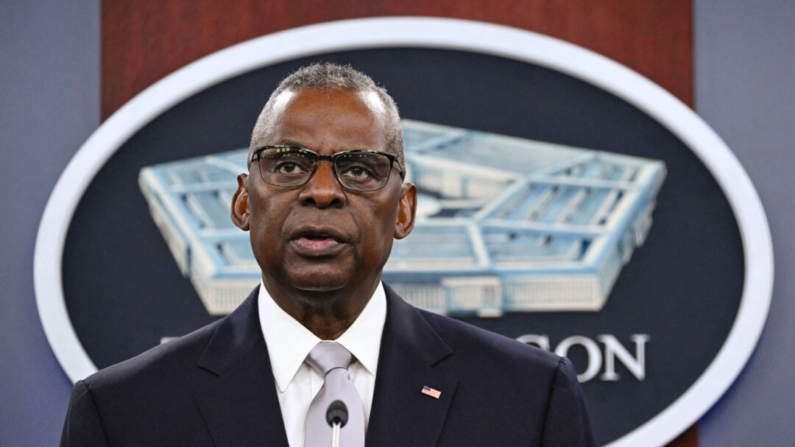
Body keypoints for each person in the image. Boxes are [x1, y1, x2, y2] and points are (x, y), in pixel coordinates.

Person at [60, 63, 597, 447]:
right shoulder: (123, 412)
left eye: (360, 169)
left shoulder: (528, 397)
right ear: (244, 201)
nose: (322, 191)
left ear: (404, 212)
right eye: (289, 165)